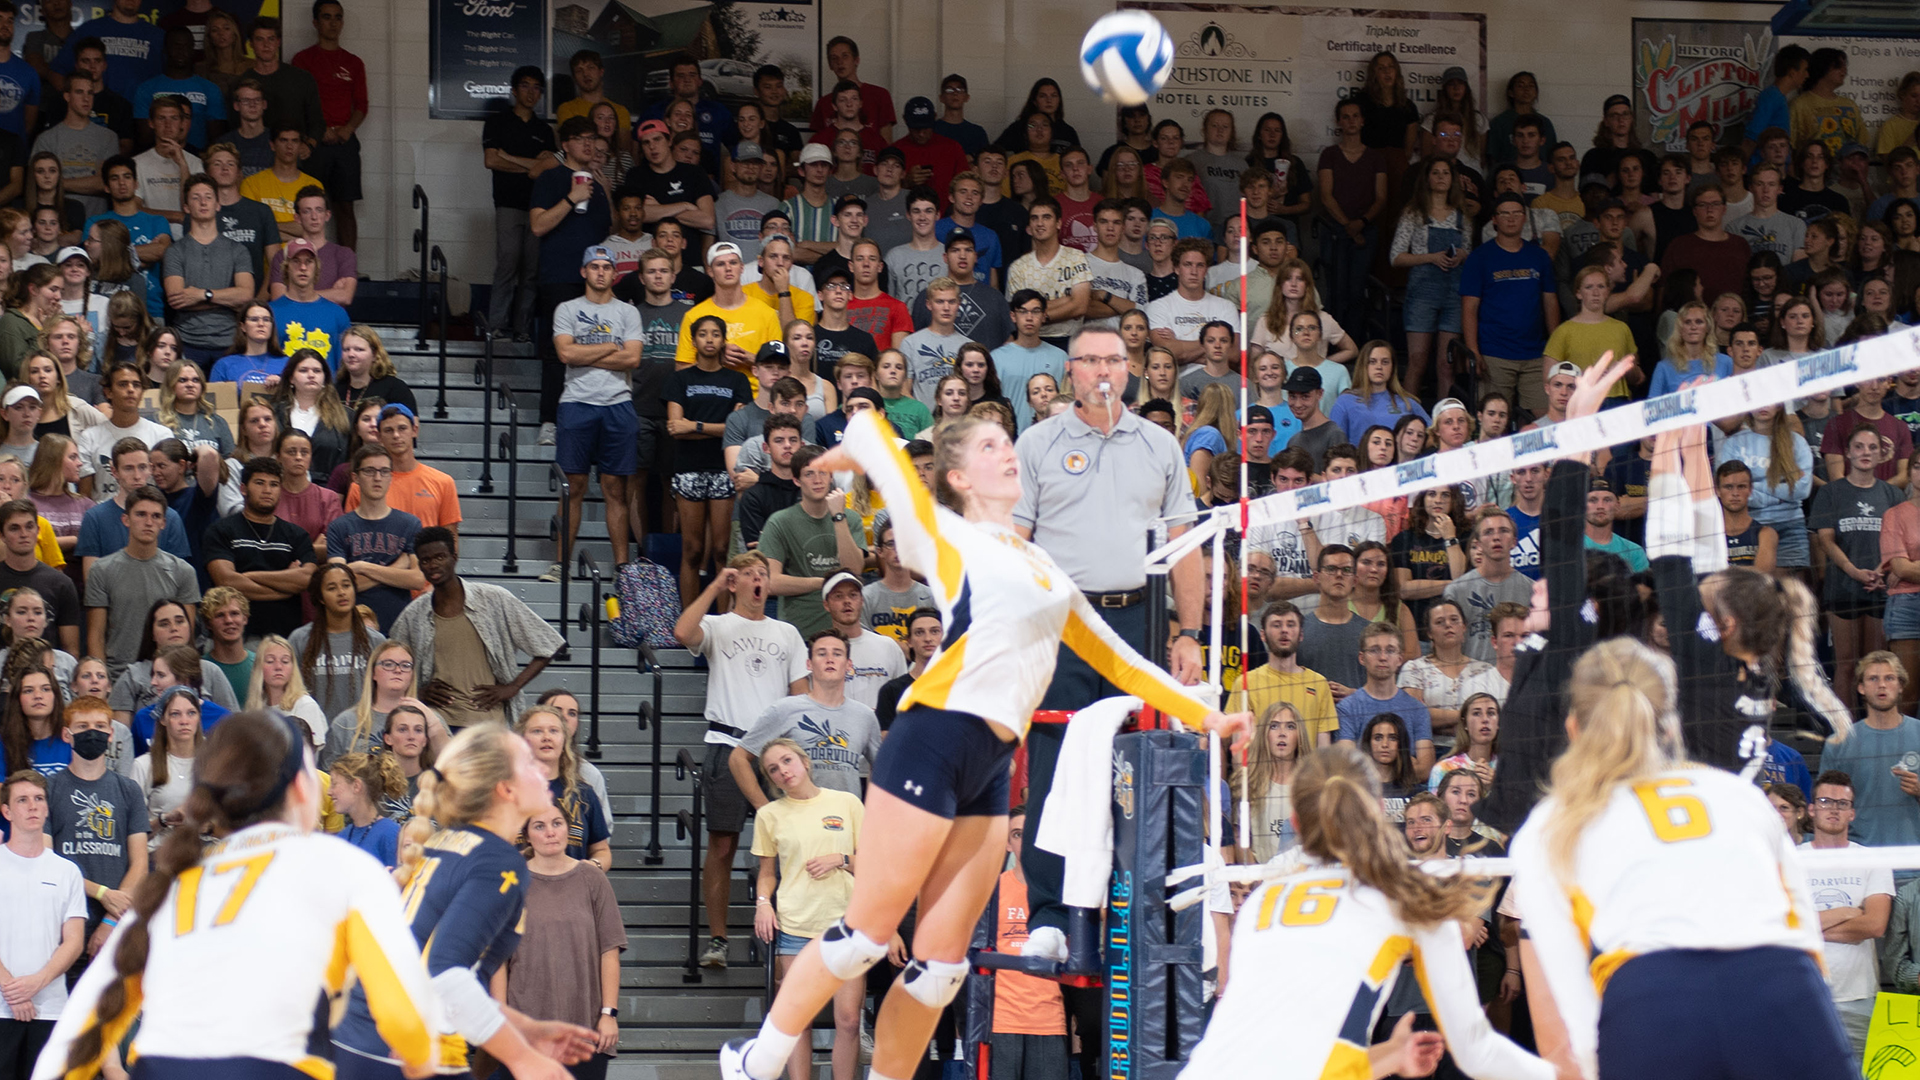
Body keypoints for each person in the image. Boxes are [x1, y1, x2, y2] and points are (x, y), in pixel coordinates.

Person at [719, 402, 1243, 1080]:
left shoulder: (1047, 570)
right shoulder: (951, 537)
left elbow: (1121, 663)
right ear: (962, 478)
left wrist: (1209, 716)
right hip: (932, 740)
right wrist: (869, 439)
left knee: (941, 971)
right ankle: (754, 1064)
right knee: (864, 940)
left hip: (991, 765)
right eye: (994, 445)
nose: (1009, 453)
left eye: (1009, 443)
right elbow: (904, 494)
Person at [31, 710, 454, 1080]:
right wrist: (421, 1056)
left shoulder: (171, 886)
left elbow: (78, 1032)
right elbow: (405, 1016)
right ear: (302, 789)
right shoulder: (341, 864)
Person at [1510, 635, 1851, 1080]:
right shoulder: (1738, 795)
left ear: (1572, 727)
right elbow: (1803, 924)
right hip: (1784, 988)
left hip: (1654, 1003)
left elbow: (1566, 997)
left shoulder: (1552, 821)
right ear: (1671, 725)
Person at [1186, 744, 1544, 1080]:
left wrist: (1389, 1056)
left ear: (1295, 821)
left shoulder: (1261, 902)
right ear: (1377, 809)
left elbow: (1283, 1052)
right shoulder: (1400, 896)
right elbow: (1476, 1051)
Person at [329, 720, 601, 1079]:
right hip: (401, 1051)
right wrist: (521, 1057)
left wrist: (523, 1028)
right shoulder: (497, 861)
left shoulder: (449, 843)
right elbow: (445, 973)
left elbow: (442, 976)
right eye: (527, 763)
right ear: (506, 789)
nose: (539, 766)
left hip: (364, 1042)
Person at [672, 552, 807, 969]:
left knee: (789, 843)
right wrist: (713, 586)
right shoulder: (717, 625)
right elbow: (681, 632)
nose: (758, 581)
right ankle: (717, 939)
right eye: (749, 574)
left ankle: (788, 932)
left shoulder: (786, 632)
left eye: (763, 575)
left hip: (775, 749)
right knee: (722, 843)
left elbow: (800, 696)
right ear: (735, 582)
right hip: (727, 741)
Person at [389, 527, 562, 730]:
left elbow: (549, 644)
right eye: (425, 560)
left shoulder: (494, 599)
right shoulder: (414, 614)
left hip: (490, 724)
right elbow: (389, 662)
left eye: (440, 557)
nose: (433, 565)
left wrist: (512, 687)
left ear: (454, 557)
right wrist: (417, 691)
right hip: (437, 725)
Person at [502, 801, 626, 1080]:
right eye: (539, 826)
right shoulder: (512, 882)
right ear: (527, 834)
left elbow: (610, 950)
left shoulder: (592, 879)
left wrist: (609, 1013)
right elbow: (498, 960)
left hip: (585, 1028)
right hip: (525, 1031)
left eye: (557, 823)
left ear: (569, 829)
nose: (550, 832)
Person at [0, 768, 86, 1075]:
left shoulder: (67, 871)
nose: (33, 806)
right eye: (22, 800)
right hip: (1, 1008)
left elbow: (74, 940)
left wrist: (37, 982)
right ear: (6, 811)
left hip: (50, 1008)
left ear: (48, 807)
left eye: (38, 799)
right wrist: (12, 990)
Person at [1812, 422, 1902, 706]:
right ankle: (1846, 732)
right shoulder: (1831, 493)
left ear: (1881, 454)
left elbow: (1903, 543)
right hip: (1843, 588)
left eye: (1872, 447)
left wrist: (1880, 571)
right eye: (1859, 447)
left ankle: (1877, 728)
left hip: (1881, 587)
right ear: (1848, 453)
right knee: (1847, 666)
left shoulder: (1892, 495)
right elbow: (1825, 541)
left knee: (1876, 667)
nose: (1866, 452)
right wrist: (1853, 571)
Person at [83, 485, 197, 678]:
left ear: (163, 523)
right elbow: (96, 636)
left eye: (155, 516)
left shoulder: (183, 571)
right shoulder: (101, 570)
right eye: (141, 514)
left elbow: (186, 636)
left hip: (170, 675)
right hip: (118, 675)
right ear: (125, 519)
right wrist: (102, 681)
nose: (148, 522)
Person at [202, 455, 315, 639]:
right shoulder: (221, 530)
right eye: (260, 483)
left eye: (274, 484)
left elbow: (307, 578)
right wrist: (286, 587)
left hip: (285, 638)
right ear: (243, 489)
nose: (267, 490)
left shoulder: (296, 535)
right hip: (236, 638)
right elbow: (227, 581)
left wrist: (250, 576)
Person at [483, 66, 556, 342]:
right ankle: (495, 326)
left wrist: (512, 159)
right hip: (508, 204)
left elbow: (547, 169)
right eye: (525, 85)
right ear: (514, 90)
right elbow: (491, 160)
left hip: (539, 208)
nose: (531, 91)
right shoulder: (498, 123)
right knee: (507, 264)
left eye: (536, 87)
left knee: (531, 271)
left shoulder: (544, 130)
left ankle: (522, 330)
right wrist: (533, 165)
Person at [290, 0, 363, 249]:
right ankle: (307, 263)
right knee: (309, 206)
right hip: (314, 143)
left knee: (345, 206)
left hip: (344, 142)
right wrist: (318, 133)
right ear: (315, 22)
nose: (333, 22)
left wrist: (346, 130)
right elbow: (298, 104)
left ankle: (348, 270)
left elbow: (362, 105)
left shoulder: (354, 63)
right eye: (327, 17)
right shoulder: (302, 60)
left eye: (338, 17)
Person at [516, 705, 609, 870]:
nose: (546, 737)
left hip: (571, 890)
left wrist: (594, 865)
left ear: (564, 740)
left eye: (553, 731)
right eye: (537, 731)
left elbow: (601, 850)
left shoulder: (583, 794)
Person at [344, 403, 461, 531]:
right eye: (388, 430)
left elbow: (450, 539)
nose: (396, 435)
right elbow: (352, 538)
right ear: (379, 436)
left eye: (402, 428)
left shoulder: (443, 482)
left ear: (414, 430)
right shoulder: (361, 486)